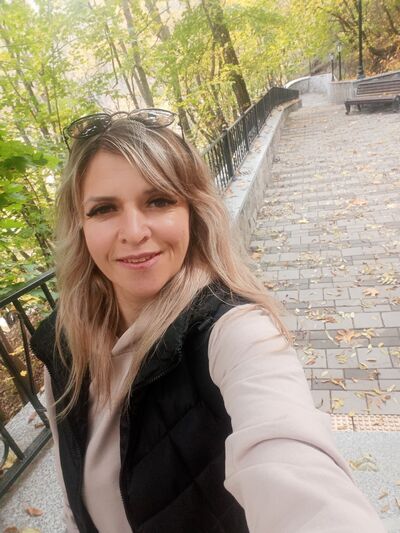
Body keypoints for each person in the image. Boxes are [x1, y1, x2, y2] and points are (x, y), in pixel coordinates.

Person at [31, 109, 385, 533]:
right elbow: (74, 501)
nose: (134, 231)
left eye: (158, 201)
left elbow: (296, 468)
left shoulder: (237, 332)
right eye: (105, 209)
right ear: (80, 226)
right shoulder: (63, 340)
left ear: (193, 211)